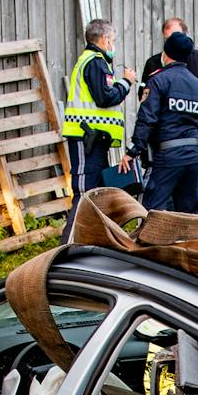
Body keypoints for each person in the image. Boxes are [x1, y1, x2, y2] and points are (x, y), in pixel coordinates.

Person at [61, 18, 138, 241]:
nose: (113, 45)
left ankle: (96, 241)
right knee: (85, 194)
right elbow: (105, 97)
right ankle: (67, 247)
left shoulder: (93, 61)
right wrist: (126, 82)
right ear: (104, 39)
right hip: (86, 138)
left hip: (94, 140)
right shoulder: (95, 62)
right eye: (112, 40)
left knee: (98, 193)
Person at [124, 31, 198, 213]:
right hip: (194, 157)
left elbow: (147, 119)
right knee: (191, 214)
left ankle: (150, 241)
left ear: (165, 54)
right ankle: (192, 241)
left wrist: (133, 151)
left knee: (151, 212)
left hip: (168, 156)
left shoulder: (158, 80)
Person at [140, 17, 198, 120]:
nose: (174, 43)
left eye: (177, 37)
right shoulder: (153, 63)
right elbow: (144, 94)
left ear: (185, 35)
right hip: (163, 130)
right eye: (168, 40)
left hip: (194, 129)